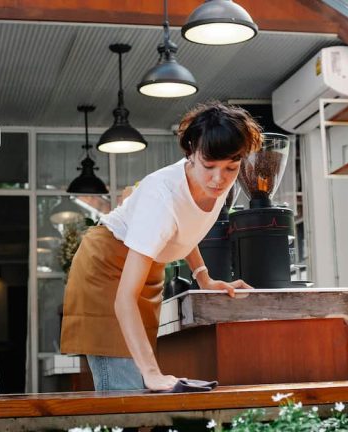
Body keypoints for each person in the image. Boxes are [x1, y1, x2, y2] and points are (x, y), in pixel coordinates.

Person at [60, 102, 262, 391]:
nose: (219, 179)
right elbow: (123, 299)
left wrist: (203, 277)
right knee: (127, 387)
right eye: (209, 166)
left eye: (231, 167)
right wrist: (153, 373)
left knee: (142, 384)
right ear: (191, 152)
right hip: (105, 266)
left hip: (145, 266)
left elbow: (184, 228)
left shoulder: (218, 178)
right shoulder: (161, 198)